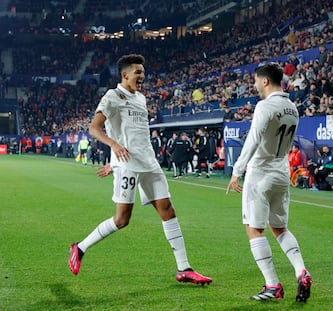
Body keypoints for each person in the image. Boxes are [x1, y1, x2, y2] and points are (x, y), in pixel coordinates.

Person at [68, 54, 212, 285]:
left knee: (168, 210)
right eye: (138, 72)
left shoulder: (141, 98)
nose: (142, 76)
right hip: (128, 165)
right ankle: (80, 248)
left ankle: (184, 268)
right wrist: (114, 149)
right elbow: (94, 128)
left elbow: (135, 134)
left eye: (143, 72)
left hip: (149, 162)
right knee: (122, 219)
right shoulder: (112, 96)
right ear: (125, 75)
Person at [226, 63, 312, 302]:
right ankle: (300, 270)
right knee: (280, 228)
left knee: (254, 228)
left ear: (265, 81)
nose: (254, 85)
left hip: (260, 173)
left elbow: (253, 140)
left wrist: (237, 171)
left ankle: (273, 285)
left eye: (255, 81)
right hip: (282, 173)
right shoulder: (292, 107)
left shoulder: (265, 106)